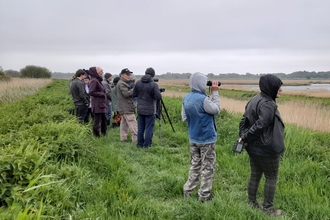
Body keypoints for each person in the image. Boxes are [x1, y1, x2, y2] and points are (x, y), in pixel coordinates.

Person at [238, 74, 285, 217]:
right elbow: (261, 125)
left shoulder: (254, 99)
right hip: (266, 149)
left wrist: (244, 138)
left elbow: (243, 121)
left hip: (253, 147)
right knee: (271, 176)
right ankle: (269, 209)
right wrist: (245, 137)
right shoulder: (268, 104)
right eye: (278, 87)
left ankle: (252, 203)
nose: (281, 90)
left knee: (255, 175)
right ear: (270, 87)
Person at [182, 72, 221, 202]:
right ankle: (204, 195)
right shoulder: (203, 99)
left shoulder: (186, 98)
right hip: (207, 139)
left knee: (195, 164)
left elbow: (184, 118)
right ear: (201, 84)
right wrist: (215, 93)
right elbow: (216, 109)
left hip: (193, 137)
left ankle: (188, 191)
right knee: (208, 167)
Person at [133, 67, 162, 148]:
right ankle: (147, 145)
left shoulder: (138, 83)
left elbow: (134, 94)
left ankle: (139, 144)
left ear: (145, 73)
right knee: (149, 128)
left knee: (140, 128)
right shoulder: (154, 84)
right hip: (150, 110)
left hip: (140, 109)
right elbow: (158, 97)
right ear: (153, 75)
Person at [117, 68, 138, 142]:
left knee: (124, 123)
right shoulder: (121, 83)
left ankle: (123, 138)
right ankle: (136, 139)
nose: (129, 76)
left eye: (129, 74)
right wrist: (134, 89)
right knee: (133, 122)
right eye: (127, 74)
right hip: (127, 107)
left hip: (124, 106)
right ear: (122, 75)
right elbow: (126, 94)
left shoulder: (123, 82)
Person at [89, 66, 108, 138]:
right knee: (97, 121)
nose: (102, 73)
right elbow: (91, 92)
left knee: (104, 120)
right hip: (97, 104)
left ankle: (104, 133)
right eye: (101, 71)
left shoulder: (97, 80)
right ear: (96, 72)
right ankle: (96, 136)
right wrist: (102, 94)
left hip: (101, 104)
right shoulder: (94, 81)